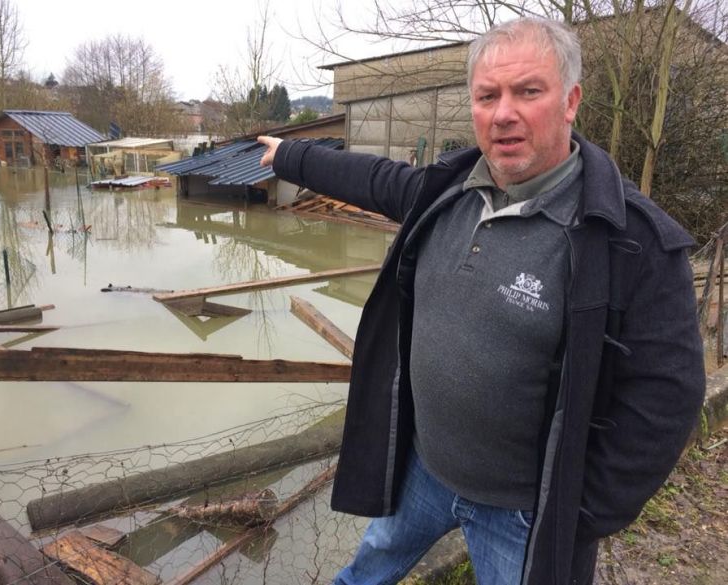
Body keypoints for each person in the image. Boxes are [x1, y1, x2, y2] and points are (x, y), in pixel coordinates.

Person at [258, 17, 705, 585]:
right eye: (488, 95)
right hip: (425, 469)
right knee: (370, 566)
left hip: (520, 513)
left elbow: (667, 398)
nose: (504, 113)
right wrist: (289, 157)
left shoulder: (630, 241)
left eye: (528, 91)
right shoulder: (448, 190)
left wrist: (578, 512)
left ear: (570, 102)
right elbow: (371, 176)